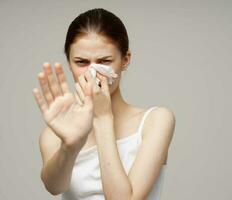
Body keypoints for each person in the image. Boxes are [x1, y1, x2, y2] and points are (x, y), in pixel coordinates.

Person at [32, 8, 175, 200]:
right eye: (81, 62)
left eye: (104, 61)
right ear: (69, 63)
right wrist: (70, 146)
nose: (93, 72)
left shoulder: (156, 121)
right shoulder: (54, 135)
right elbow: (54, 187)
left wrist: (103, 118)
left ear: (125, 60)